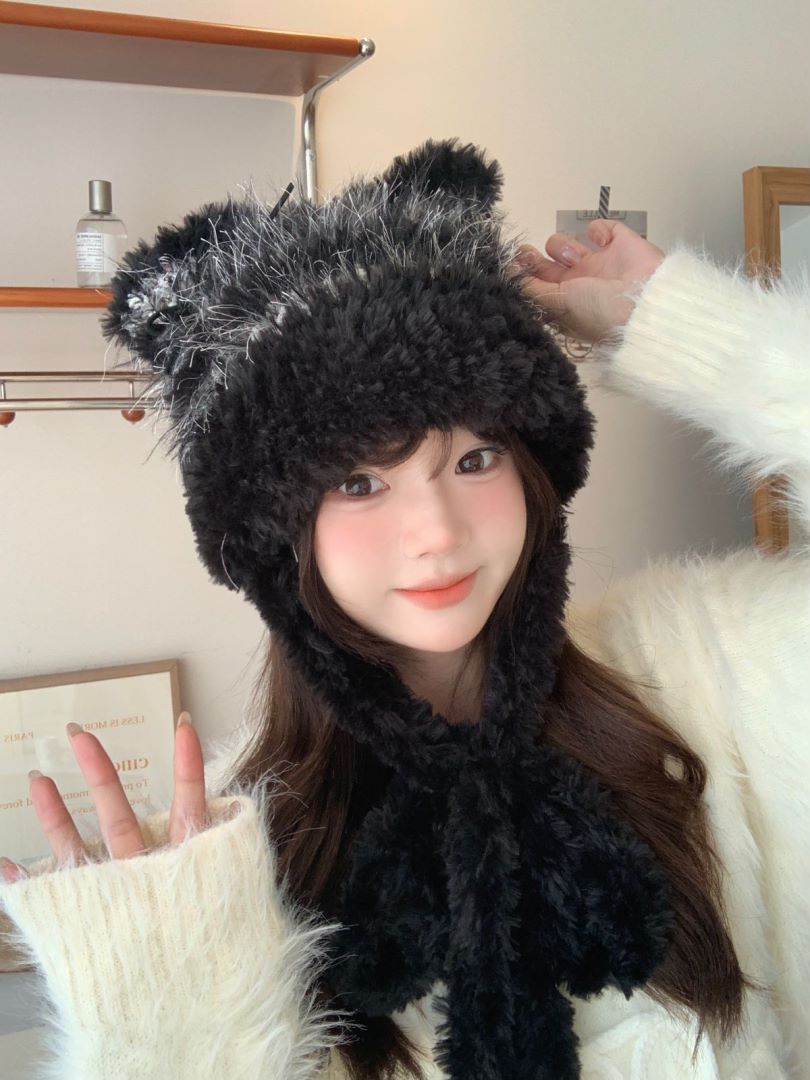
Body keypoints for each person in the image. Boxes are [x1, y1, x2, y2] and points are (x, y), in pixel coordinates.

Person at [1, 139, 807, 1080]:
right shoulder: (235, 858)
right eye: (358, 482)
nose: (437, 532)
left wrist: (692, 331)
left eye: (474, 459)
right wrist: (167, 1031)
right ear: (279, 537)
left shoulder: (705, 668)